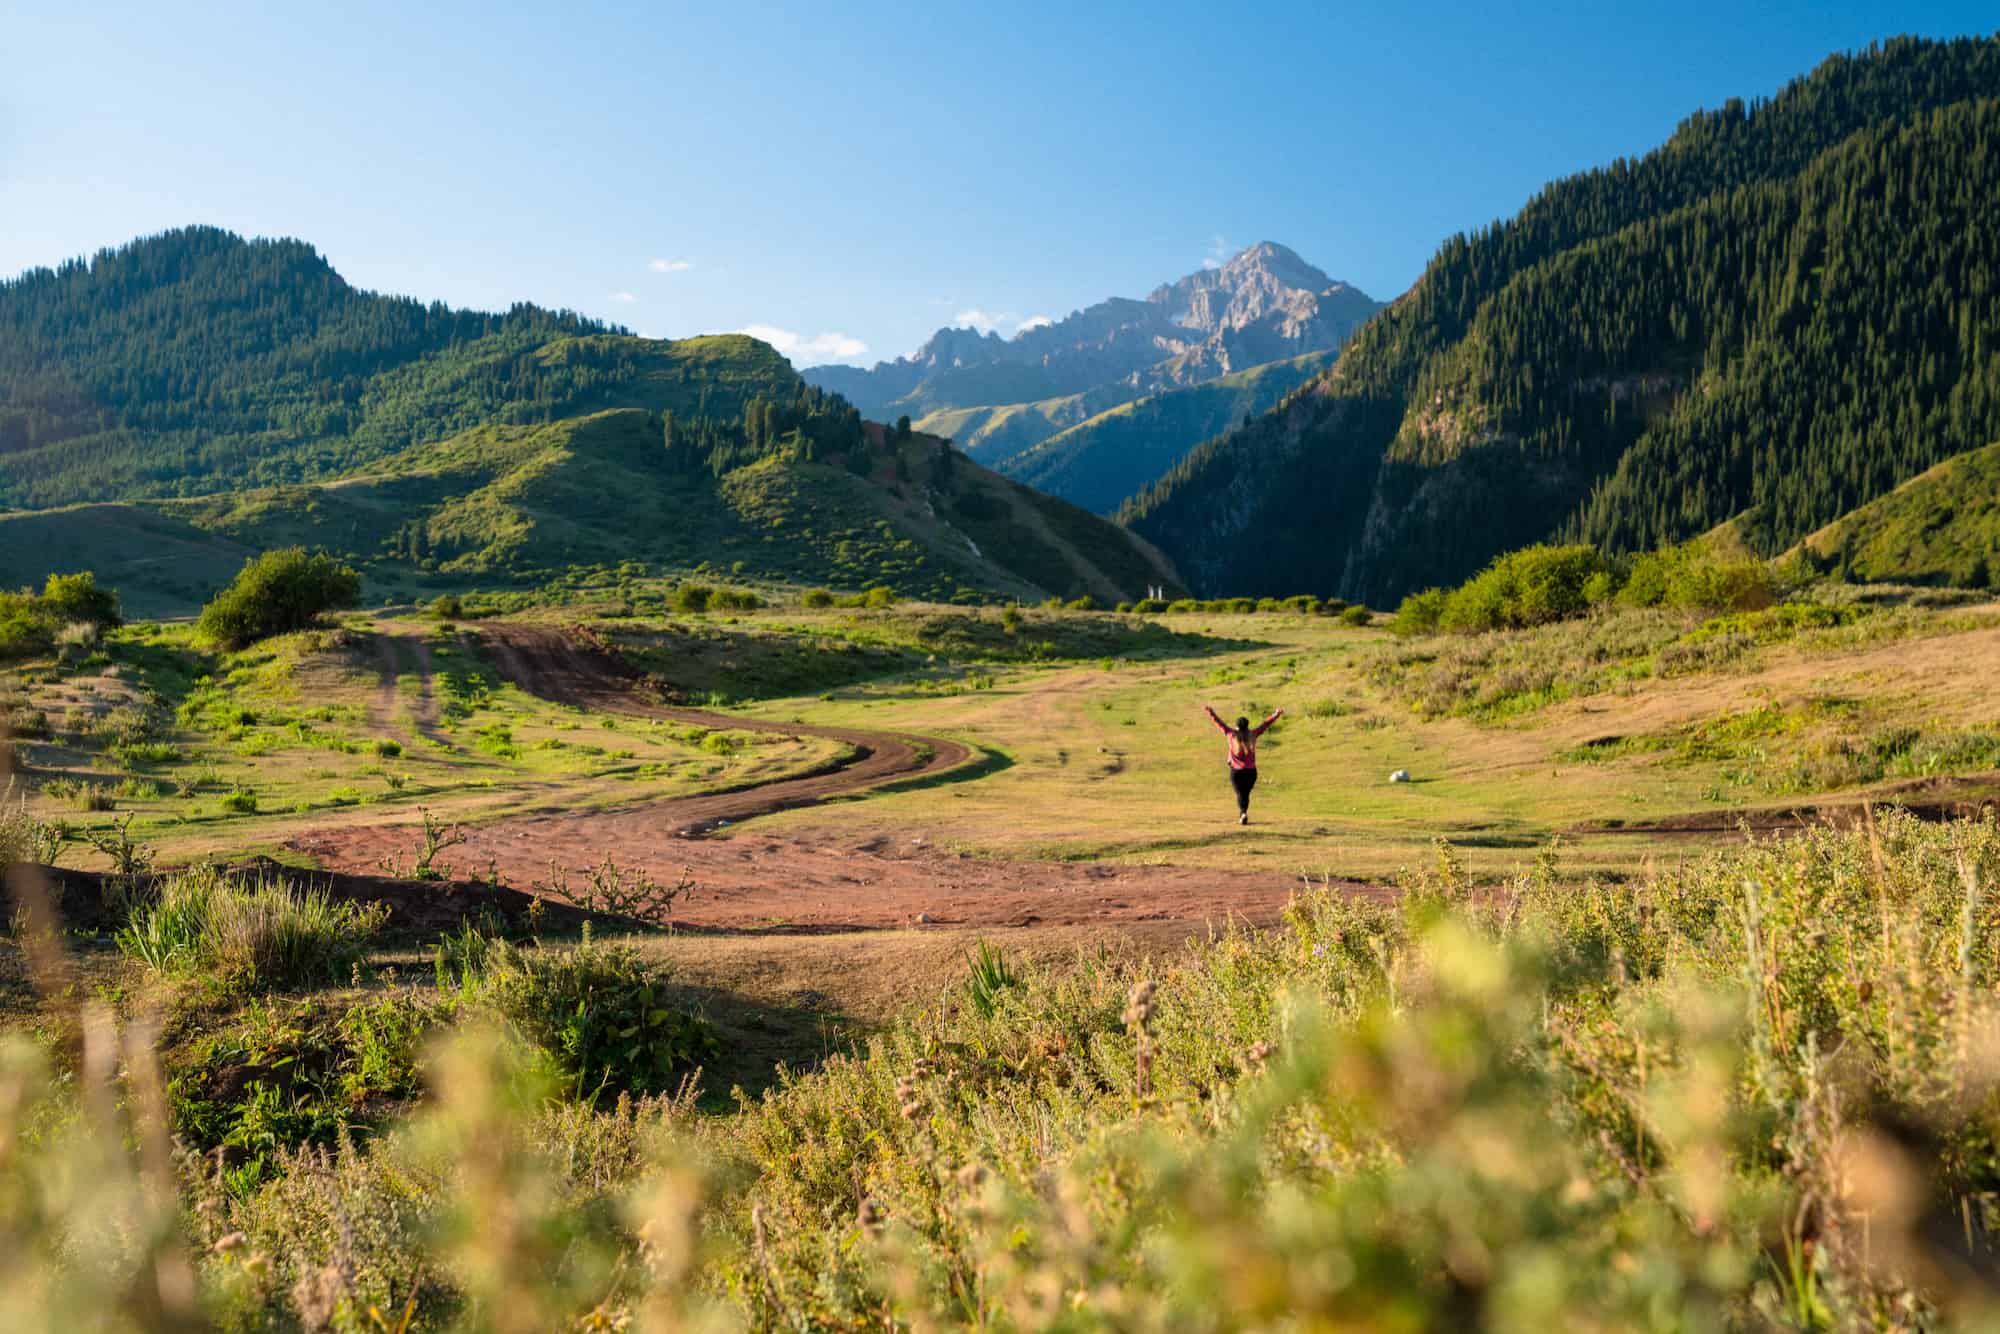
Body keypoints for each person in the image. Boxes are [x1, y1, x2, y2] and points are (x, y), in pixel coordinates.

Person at [1204, 704, 1283, 825]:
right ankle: (1243, 814)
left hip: (1237, 772)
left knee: (1241, 794)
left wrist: (1211, 712)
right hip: (1251, 772)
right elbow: (1265, 725)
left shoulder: (1231, 734)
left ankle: (1243, 814)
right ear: (1247, 725)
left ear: (1237, 726)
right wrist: (1276, 714)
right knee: (1245, 794)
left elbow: (1220, 723)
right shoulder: (1253, 734)